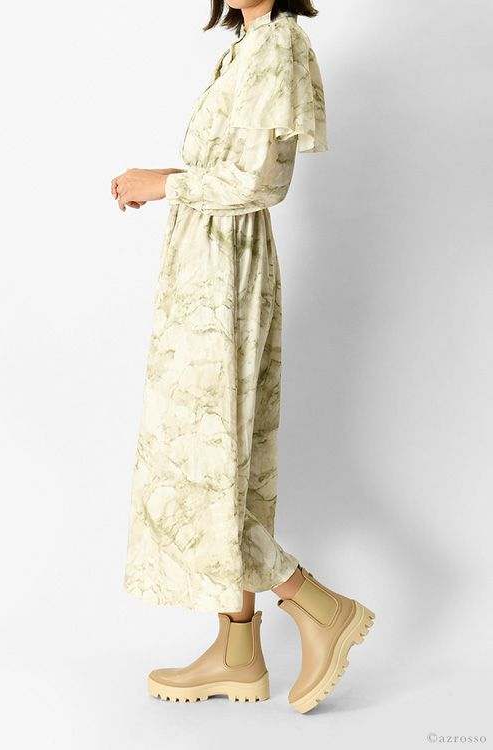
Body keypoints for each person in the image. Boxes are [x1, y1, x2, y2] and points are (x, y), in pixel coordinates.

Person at [111, 0, 375, 714]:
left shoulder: (279, 45)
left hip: (225, 271)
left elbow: (262, 183)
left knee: (205, 466)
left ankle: (319, 607)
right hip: (205, 265)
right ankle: (238, 653)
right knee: (216, 459)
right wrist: (168, 174)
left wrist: (166, 184)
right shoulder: (247, 45)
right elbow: (231, 168)